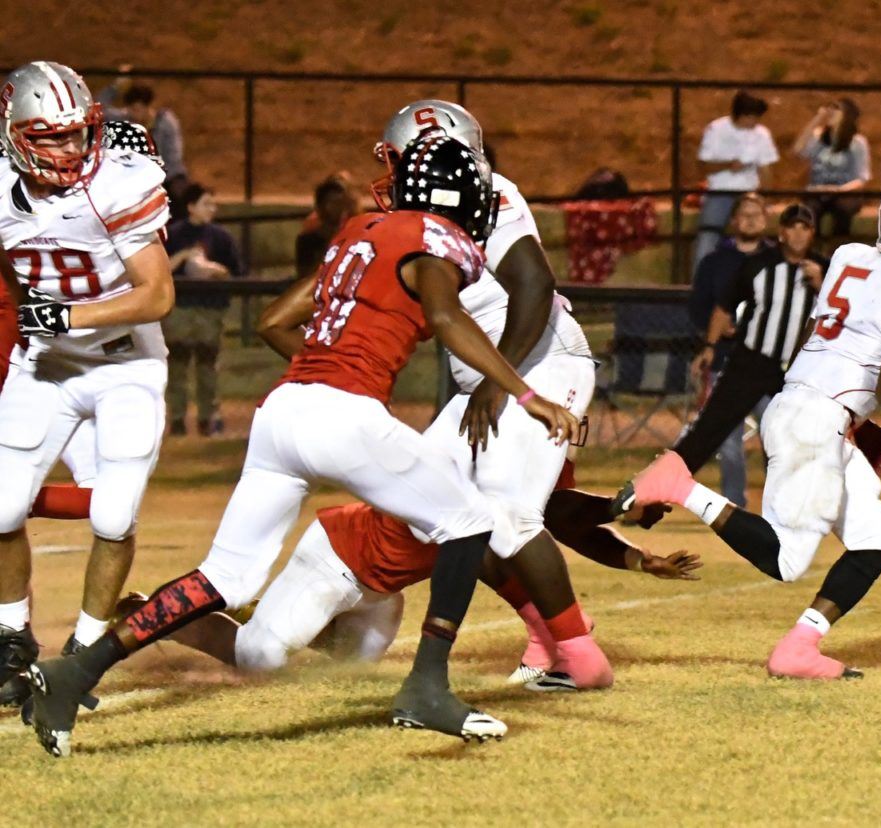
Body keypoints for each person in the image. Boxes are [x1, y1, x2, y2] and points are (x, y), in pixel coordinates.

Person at [26, 133, 580, 757]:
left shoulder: (357, 230)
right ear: (459, 196)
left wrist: (333, 381)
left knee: (224, 577)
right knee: (471, 521)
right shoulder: (433, 239)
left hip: (283, 411)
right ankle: (427, 687)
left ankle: (75, 671)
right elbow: (449, 320)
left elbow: (274, 320)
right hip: (341, 412)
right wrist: (529, 397)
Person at [611, 178, 881, 679]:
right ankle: (679, 485)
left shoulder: (851, 256)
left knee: (875, 542)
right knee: (786, 561)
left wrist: (858, 420)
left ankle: (800, 646)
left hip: (808, 404)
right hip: (819, 419)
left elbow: (839, 347)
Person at [364, 100, 611, 689]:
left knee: (509, 514)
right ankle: (548, 629)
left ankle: (582, 660)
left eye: (410, 158)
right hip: (496, 374)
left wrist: (505, 385)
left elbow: (533, 284)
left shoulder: (489, 192)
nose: (403, 171)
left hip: (540, 363)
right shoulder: (417, 216)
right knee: (438, 508)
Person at [112, 475, 699, 678]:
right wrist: (618, 509)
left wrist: (629, 542)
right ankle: (168, 622)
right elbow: (553, 518)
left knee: (347, 668)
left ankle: (261, 615)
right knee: (262, 659)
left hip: (381, 590)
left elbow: (546, 517)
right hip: (336, 558)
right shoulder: (466, 472)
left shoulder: (496, 492)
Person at [0, 62, 173, 691]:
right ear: (14, 134)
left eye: (78, 133)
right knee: (0, 505)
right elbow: (16, 273)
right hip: (46, 365)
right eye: (51, 137)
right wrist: (43, 321)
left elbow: (156, 296)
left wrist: (65, 313)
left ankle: (85, 651)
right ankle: (11, 638)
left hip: (126, 362)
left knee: (114, 513)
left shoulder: (119, 182)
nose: (71, 149)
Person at [678, 203, 826, 483]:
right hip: (753, 360)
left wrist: (821, 285)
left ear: (812, 234)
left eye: (804, 228)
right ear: (781, 232)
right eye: (791, 227)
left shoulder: (826, 270)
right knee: (710, 427)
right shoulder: (759, 264)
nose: (797, 234)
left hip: (799, 370)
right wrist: (709, 346)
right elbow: (723, 307)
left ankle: (793, 499)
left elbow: (844, 315)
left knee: (801, 436)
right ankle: (657, 490)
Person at [685, 192, 772, 506]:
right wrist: (719, 331)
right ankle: (735, 506)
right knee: (729, 442)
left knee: (776, 439)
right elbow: (698, 308)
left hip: (768, 366)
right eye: (744, 214)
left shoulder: (777, 262)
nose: (750, 220)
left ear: (767, 219)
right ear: (734, 221)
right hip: (727, 361)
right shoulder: (714, 263)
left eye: (756, 214)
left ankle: (781, 503)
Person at [162, 183, 244, 436]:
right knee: (177, 363)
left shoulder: (221, 237)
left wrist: (216, 271)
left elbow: (236, 272)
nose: (212, 209)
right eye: (206, 204)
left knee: (208, 364)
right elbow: (160, 269)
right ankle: (177, 418)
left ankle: (208, 418)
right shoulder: (172, 235)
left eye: (213, 204)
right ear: (191, 207)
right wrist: (185, 255)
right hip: (180, 309)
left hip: (209, 309)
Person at [693, 90, 779, 272]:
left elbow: (765, 170)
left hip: (749, 194)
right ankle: (699, 280)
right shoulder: (716, 130)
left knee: (757, 237)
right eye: (751, 118)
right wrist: (728, 166)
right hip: (720, 191)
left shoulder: (762, 134)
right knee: (709, 233)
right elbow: (703, 165)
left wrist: (767, 199)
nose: (755, 122)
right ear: (741, 115)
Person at [99, 74, 187, 213]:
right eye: (131, 110)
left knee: (180, 193)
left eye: (138, 110)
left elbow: (174, 158)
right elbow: (97, 109)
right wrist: (115, 87)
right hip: (134, 176)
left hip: (166, 176)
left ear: (148, 107)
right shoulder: (124, 119)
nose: (134, 114)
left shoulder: (165, 122)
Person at [792, 98, 871, 237]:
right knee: (809, 211)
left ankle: (838, 251)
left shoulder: (858, 143)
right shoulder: (818, 137)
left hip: (844, 192)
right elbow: (797, 150)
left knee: (844, 210)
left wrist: (837, 190)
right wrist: (817, 119)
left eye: (836, 109)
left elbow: (861, 179)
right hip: (817, 192)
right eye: (830, 108)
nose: (831, 112)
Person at [294, 172, 359, 280]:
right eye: (332, 202)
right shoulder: (307, 241)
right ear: (321, 206)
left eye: (341, 201)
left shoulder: (356, 239)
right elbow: (306, 277)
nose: (338, 207)